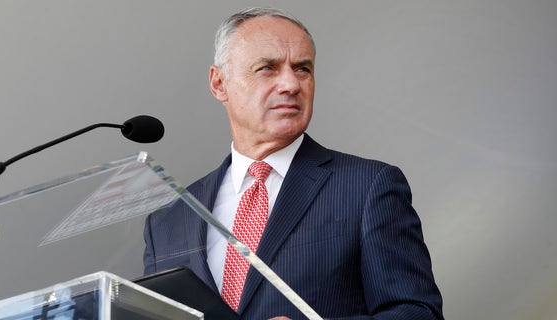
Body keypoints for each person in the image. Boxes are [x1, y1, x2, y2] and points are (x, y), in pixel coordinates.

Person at [143, 7, 443, 320]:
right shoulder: (167, 222)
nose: (291, 84)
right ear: (219, 84)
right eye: (267, 68)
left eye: (302, 69)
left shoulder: (368, 187)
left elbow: (418, 313)